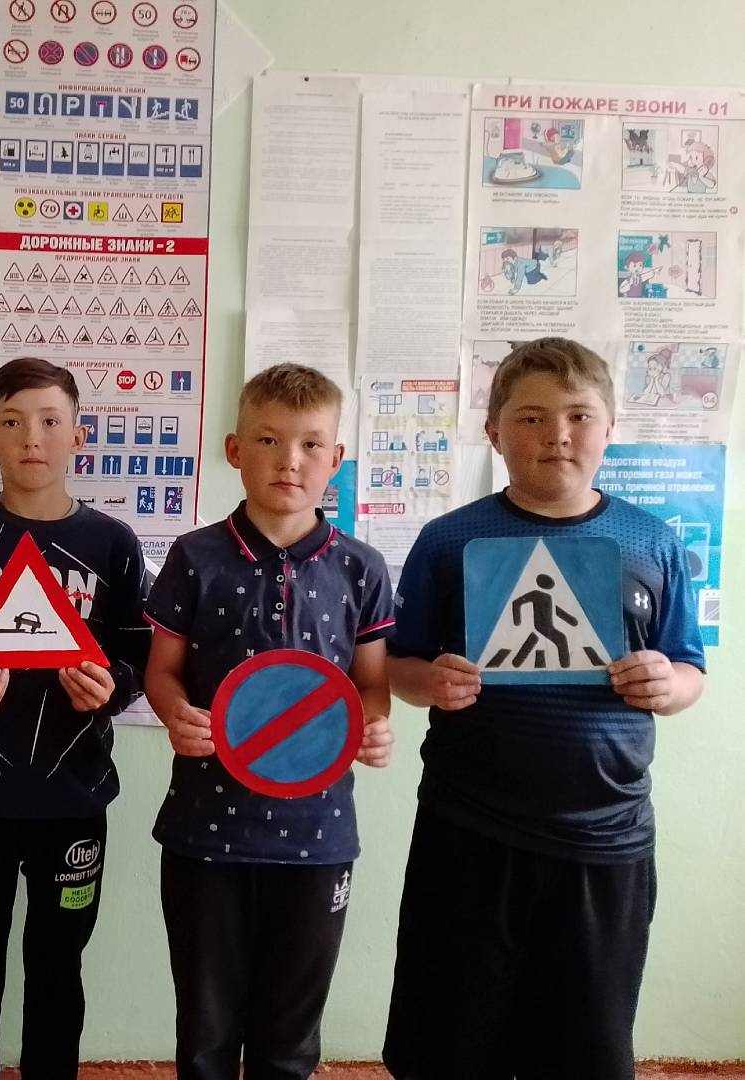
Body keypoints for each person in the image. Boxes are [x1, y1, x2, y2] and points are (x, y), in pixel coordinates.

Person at [381, 337, 707, 1080]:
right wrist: (428, 682)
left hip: (606, 835)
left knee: (585, 1048)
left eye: (578, 416)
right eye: (530, 418)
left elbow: (690, 667)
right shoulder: (448, 541)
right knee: (452, 1044)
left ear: (609, 428)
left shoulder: (652, 543)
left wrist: (669, 683)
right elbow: (397, 664)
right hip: (468, 827)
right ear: (493, 432)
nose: (556, 435)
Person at [143, 364, 395, 1080]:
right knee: (205, 1031)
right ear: (234, 449)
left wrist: (375, 724)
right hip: (204, 831)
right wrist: (175, 713)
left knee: (290, 1036)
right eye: (268, 439)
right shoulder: (194, 557)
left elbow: (370, 685)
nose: (290, 460)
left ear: (335, 459)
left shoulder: (361, 567)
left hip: (319, 835)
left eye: (311, 444)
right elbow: (162, 671)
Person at [0, 356, 149, 1079]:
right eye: (11, 422)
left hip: (73, 796)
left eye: (50, 421)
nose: (31, 438)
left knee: (57, 968)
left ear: (79, 436)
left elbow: (139, 657)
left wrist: (109, 687)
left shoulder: (114, 545)